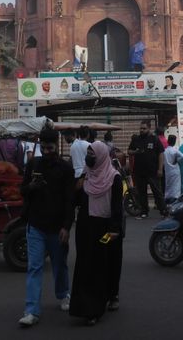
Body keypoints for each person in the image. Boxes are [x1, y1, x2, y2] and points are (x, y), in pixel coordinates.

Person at [18, 126, 75, 328]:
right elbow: (22, 190)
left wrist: (66, 227)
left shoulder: (66, 169)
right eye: (44, 148)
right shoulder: (33, 164)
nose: (47, 151)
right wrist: (32, 186)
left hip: (57, 227)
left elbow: (70, 200)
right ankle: (31, 310)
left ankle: (63, 293)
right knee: (35, 267)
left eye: (50, 148)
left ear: (56, 146)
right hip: (35, 226)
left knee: (60, 265)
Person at [69, 141, 123, 326]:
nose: (89, 157)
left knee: (101, 267)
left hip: (104, 229)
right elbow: (76, 200)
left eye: (93, 154)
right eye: (88, 153)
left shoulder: (114, 178)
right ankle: (82, 307)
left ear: (101, 156)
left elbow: (117, 207)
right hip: (85, 228)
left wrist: (114, 230)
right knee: (85, 267)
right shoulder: (86, 176)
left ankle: (95, 308)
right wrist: (77, 186)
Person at [126, 120, 165, 219]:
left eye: (144, 128)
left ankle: (164, 211)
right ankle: (144, 212)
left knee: (157, 192)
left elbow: (161, 153)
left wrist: (160, 169)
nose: (142, 130)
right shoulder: (136, 139)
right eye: (141, 128)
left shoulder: (154, 139)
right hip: (139, 172)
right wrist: (135, 152)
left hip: (152, 171)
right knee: (142, 193)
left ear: (149, 128)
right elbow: (129, 151)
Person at [163, 135, 183, 204]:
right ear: (174, 142)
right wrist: (177, 160)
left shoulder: (164, 151)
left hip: (167, 171)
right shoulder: (175, 150)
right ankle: (175, 200)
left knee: (168, 185)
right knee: (176, 186)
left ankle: (167, 199)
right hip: (175, 170)